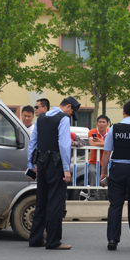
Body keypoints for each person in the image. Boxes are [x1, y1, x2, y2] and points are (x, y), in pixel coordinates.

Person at [27, 96, 81, 250]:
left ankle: (35, 239)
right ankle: (53, 241)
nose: (70, 116)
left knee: (41, 202)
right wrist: (66, 169)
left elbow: (33, 143)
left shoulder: (42, 117)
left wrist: (31, 165)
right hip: (56, 165)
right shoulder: (63, 119)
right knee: (55, 203)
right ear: (68, 106)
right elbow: (64, 145)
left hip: (41, 164)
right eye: (71, 113)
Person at [100, 100, 130, 251]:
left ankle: (113, 239)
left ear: (123, 112)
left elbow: (107, 152)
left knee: (115, 205)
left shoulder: (114, 129)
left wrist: (103, 172)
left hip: (117, 169)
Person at [86, 115, 110, 201]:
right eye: (100, 122)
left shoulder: (110, 132)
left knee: (104, 179)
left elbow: (113, 144)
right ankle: (92, 196)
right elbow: (92, 144)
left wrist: (99, 142)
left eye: (103, 122)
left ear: (107, 124)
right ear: (97, 123)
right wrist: (106, 143)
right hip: (93, 161)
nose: (101, 124)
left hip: (106, 162)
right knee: (92, 172)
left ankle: (102, 197)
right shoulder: (92, 131)